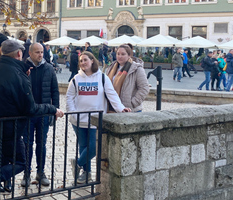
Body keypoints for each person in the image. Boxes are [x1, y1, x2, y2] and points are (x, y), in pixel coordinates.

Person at [0, 40, 64, 200]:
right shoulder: (19, 75)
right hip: (10, 126)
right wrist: (53, 109)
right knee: (20, 161)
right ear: (20, 54)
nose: (40, 55)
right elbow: (30, 108)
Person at [67, 51, 131, 184]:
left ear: (92, 60)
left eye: (85, 60)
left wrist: (120, 108)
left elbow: (112, 94)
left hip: (96, 120)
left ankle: (77, 164)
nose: (83, 63)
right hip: (78, 119)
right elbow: (69, 97)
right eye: (81, 61)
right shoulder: (75, 79)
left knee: (95, 147)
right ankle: (86, 174)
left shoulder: (102, 77)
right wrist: (72, 113)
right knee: (83, 147)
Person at [22, 43, 60, 187]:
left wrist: (54, 110)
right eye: (37, 52)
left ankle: (41, 172)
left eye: (42, 52)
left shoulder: (49, 68)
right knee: (27, 144)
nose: (40, 55)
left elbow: (54, 91)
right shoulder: (24, 67)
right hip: (28, 114)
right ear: (30, 53)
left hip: (44, 114)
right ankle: (26, 173)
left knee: (41, 144)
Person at [105, 44, 149, 112]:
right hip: (113, 108)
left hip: (131, 110)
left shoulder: (137, 69)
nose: (120, 56)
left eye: (123, 54)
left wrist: (133, 103)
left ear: (129, 55)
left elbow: (144, 88)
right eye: (118, 54)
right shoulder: (111, 68)